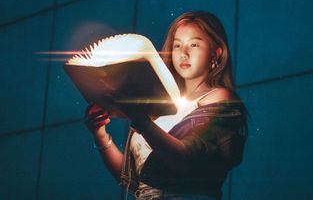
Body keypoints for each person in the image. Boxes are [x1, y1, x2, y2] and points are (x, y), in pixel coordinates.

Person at [85, 11, 247, 200]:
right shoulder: (161, 104)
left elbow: (185, 159)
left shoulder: (220, 98)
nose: (183, 53)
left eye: (194, 44)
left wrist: (141, 121)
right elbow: (134, 180)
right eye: (177, 45)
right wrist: (100, 134)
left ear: (216, 52)